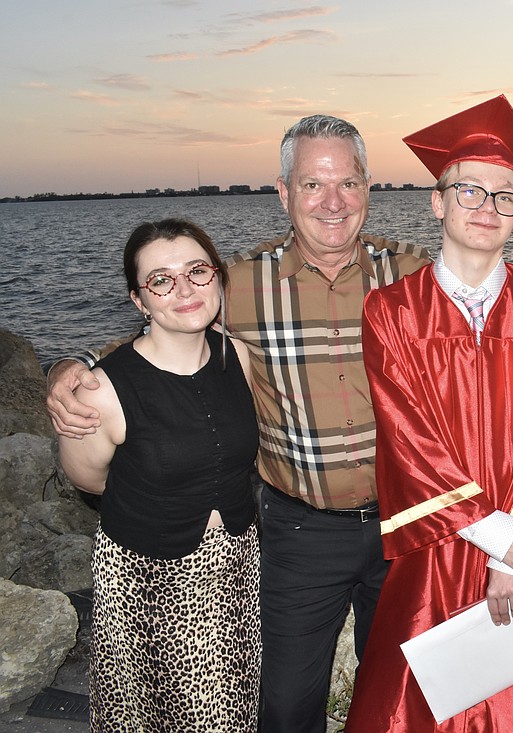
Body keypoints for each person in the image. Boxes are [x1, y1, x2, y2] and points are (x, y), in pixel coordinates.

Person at [45, 115, 430, 733]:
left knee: (403, 696)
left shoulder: (414, 275)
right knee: (285, 706)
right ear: (283, 192)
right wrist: (75, 365)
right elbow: (169, 324)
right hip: (300, 533)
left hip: (407, 525)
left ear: (368, 186)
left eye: (348, 183)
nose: (332, 202)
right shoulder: (243, 282)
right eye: (312, 184)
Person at [343, 94, 513, 733]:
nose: (488, 207)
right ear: (438, 202)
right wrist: (492, 533)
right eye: (470, 190)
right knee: (411, 706)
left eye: (506, 196)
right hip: (437, 542)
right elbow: (407, 438)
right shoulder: (392, 311)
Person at [58, 219, 260, 731]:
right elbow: (90, 480)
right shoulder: (101, 392)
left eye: (197, 271)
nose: (185, 290)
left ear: (217, 277)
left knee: (238, 705)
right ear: (139, 300)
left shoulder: (236, 356)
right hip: (149, 580)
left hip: (238, 567)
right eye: (162, 280)